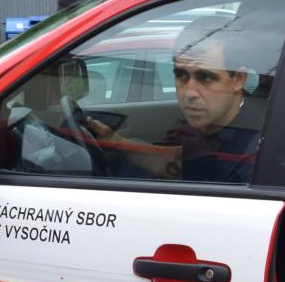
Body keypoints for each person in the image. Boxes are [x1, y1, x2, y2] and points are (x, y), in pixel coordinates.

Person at [82, 15, 264, 184]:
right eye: (181, 75)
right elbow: (176, 162)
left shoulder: (258, 146)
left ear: (239, 79)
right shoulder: (209, 122)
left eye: (206, 77)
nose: (189, 92)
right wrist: (115, 141)